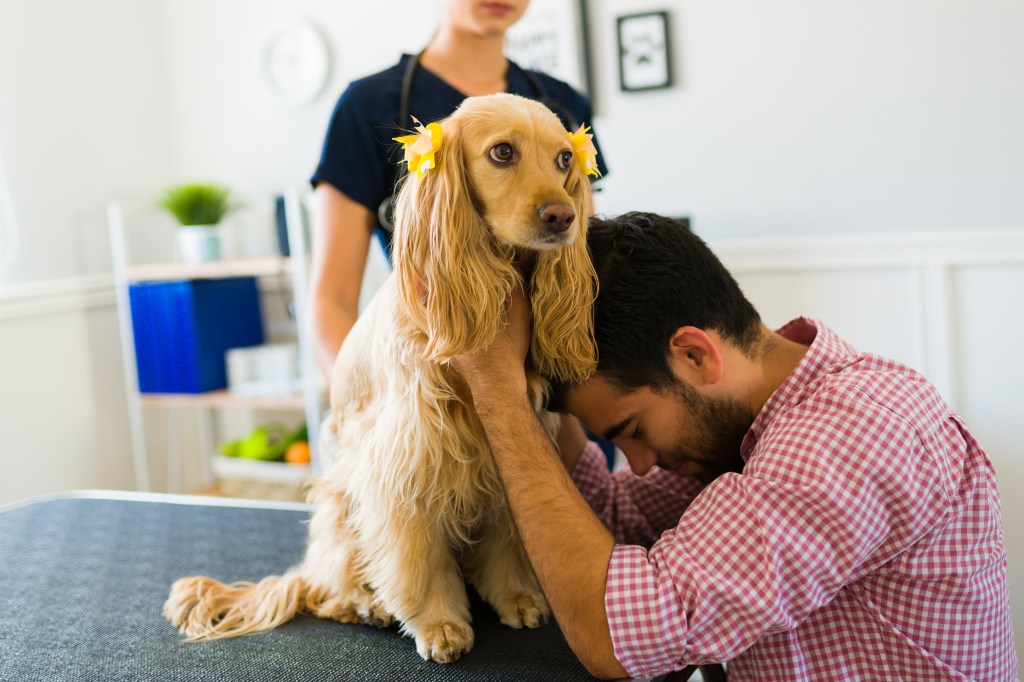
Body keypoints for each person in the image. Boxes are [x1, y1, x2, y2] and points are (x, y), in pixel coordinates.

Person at [453, 211, 1018, 680]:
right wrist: (526, 376)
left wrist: (495, 387)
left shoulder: (846, 433)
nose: (643, 466)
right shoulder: (745, 431)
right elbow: (610, 516)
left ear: (695, 355)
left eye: (633, 431)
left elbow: (612, 634)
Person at [308, 0, 608, 380]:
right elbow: (331, 299)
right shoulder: (366, 106)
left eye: (563, 160)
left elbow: (581, 255)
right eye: (502, 153)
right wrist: (358, 403)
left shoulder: (562, 102)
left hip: (548, 375)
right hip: (431, 364)